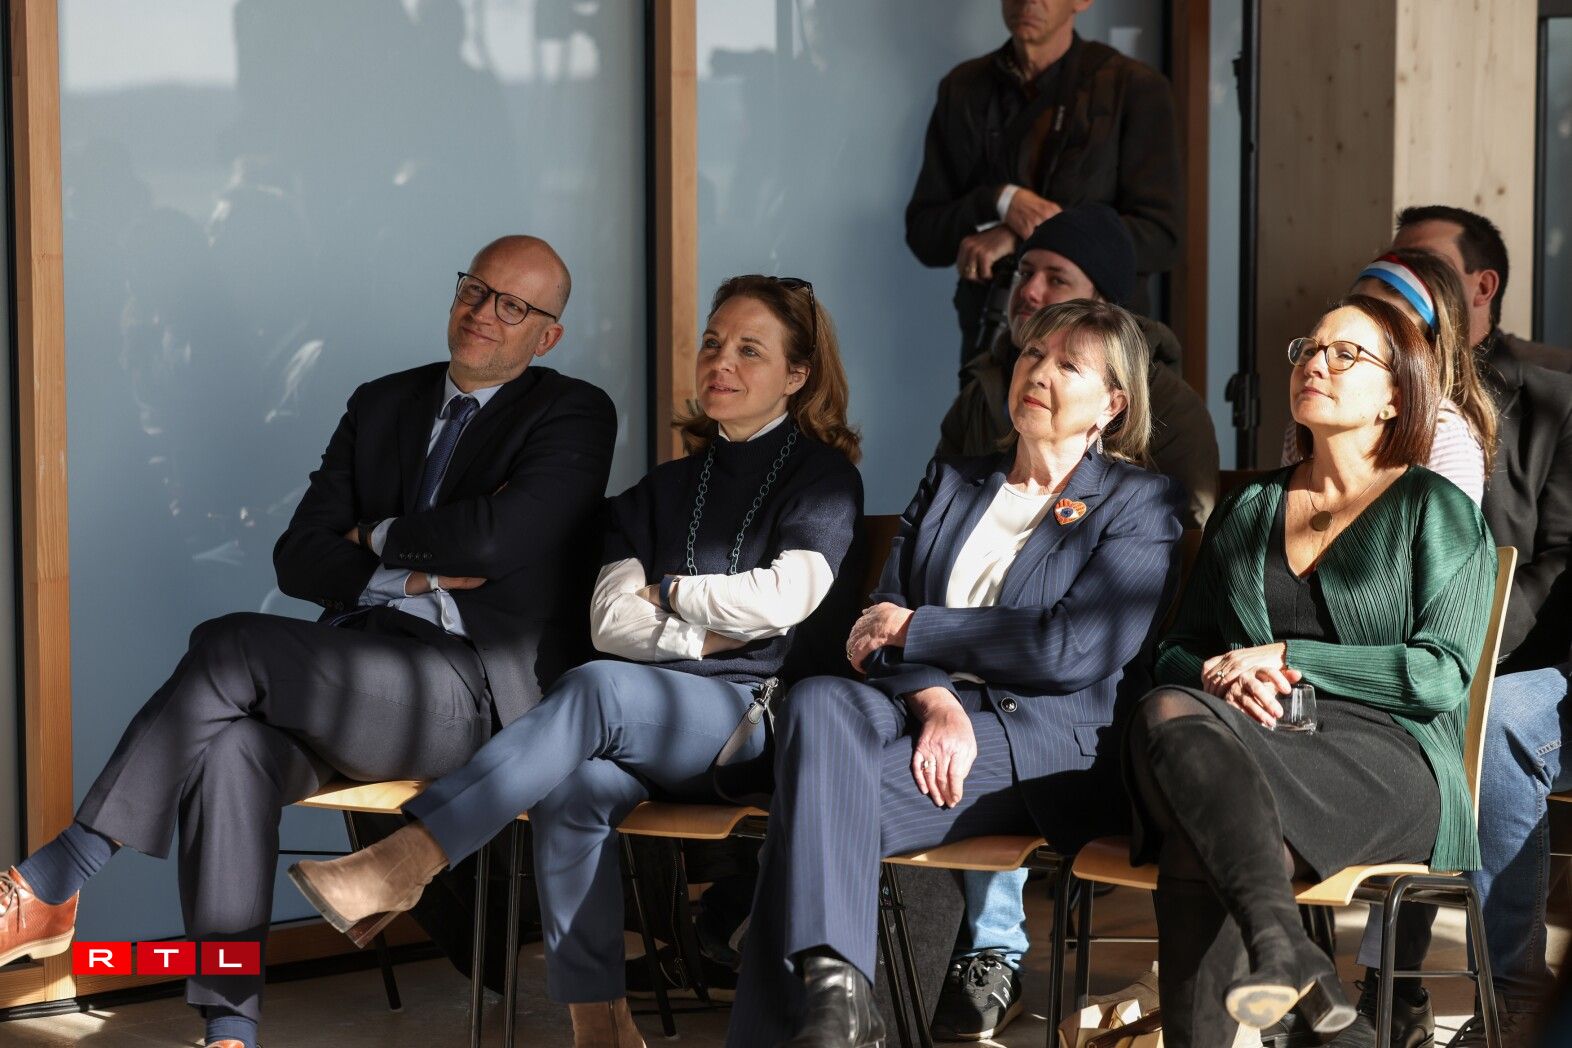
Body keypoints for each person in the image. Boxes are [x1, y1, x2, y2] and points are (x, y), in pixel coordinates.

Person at [0, 236, 617, 1048]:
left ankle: (60, 874)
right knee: (230, 754)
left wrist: (374, 535)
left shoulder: (573, 412)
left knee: (233, 645)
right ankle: (230, 1031)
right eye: (475, 288)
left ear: (547, 335)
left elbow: (501, 539)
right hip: (352, 669)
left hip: (468, 692)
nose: (483, 313)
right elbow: (298, 557)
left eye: (513, 306)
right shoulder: (382, 403)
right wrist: (417, 576)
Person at [287, 275, 864, 1047]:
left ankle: (411, 859)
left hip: (749, 721)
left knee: (595, 689)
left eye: (749, 350)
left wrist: (669, 592)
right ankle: (602, 1029)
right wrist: (701, 634)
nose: (720, 361)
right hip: (645, 718)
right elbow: (611, 621)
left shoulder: (823, 478)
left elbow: (785, 598)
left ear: (796, 374)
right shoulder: (661, 488)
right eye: (712, 342)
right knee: (574, 788)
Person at [724, 299, 1184, 1047]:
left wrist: (922, 629)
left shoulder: (1138, 503)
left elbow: (1070, 648)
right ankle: (839, 1008)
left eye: (1068, 365)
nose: (1039, 372)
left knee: (815, 805)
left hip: (1041, 742)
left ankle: (831, 1013)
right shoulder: (954, 480)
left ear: (1113, 404)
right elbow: (873, 627)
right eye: (1032, 354)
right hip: (921, 710)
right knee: (817, 701)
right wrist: (937, 699)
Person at [1127, 294, 1496, 1047]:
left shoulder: (1437, 510)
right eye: (1308, 349)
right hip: (1244, 738)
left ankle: (1288, 957)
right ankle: (1289, 955)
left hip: (1387, 757)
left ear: (1396, 397)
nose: (1314, 364)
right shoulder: (1250, 507)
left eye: (1345, 354)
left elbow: (1437, 675)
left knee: (1199, 830)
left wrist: (1291, 658)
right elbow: (1176, 650)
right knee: (1167, 712)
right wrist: (1222, 672)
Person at [1323, 208, 1572, 1048]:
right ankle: (1384, 988)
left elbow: (1562, 566)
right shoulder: (1359, 397)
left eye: (1419, 266)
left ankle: (1505, 991)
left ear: (1476, 288)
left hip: (1526, 657)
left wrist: (1468, 640)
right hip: (1406, 638)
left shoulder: (1552, 397)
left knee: (1481, 717)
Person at [905, 0, 1180, 368]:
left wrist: (1022, 237)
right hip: (993, 347)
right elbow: (924, 236)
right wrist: (998, 200)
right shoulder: (963, 88)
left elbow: (1160, 237)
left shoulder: (1134, 87)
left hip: (1097, 354)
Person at [939, 203, 1217, 527]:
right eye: (1025, 273)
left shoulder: (1170, 407)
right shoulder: (981, 389)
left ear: (1102, 305)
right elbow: (936, 515)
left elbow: (1186, 537)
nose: (1029, 291)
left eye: (1056, 280)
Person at [1283, 247, 1497, 504]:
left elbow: (1451, 527)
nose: (1314, 365)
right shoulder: (1310, 419)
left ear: (1425, 349)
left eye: (1387, 322)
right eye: (1355, 309)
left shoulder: (1445, 434)